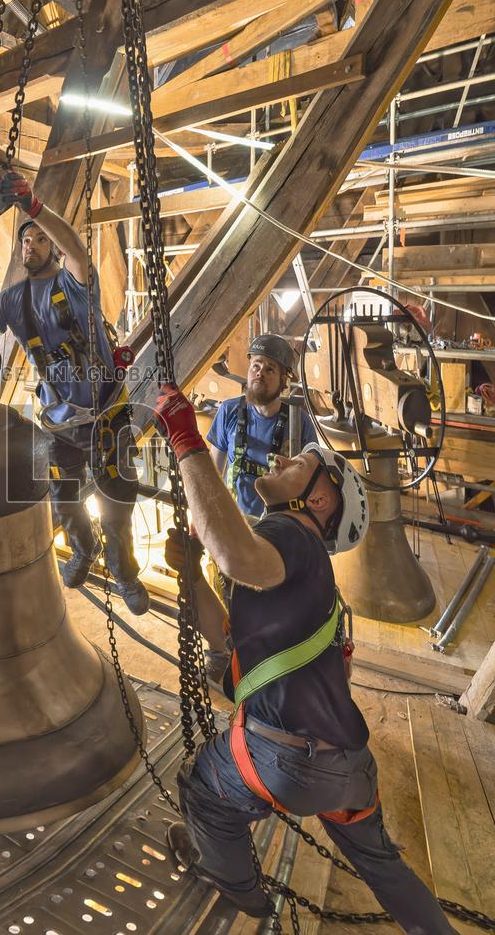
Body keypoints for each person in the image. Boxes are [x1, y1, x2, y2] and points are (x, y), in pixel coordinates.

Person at [152, 382, 455, 934]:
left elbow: (239, 556)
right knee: (383, 867)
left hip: (286, 763)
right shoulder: (306, 570)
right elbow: (227, 641)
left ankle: (246, 899)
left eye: (304, 461)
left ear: (319, 500)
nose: (287, 456)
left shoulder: (290, 534)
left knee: (206, 795)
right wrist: (193, 572)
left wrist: (183, 436)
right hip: (348, 767)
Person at [0, 164, 149, 615]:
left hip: (105, 417)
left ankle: (124, 571)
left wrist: (33, 207)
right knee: (65, 499)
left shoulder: (75, 284)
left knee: (118, 503)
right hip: (57, 422)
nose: (29, 245)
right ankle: (83, 551)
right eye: (24, 241)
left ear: (52, 247)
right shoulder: (11, 302)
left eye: (37, 239)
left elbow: (75, 246)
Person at [207, 334, 317, 520]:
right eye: (256, 366)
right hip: (234, 524)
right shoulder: (229, 410)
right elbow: (213, 471)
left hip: (277, 530)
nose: (260, 373)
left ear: (284, 380)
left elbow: (312, 483)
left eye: (270, 369)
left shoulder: (299, 423)